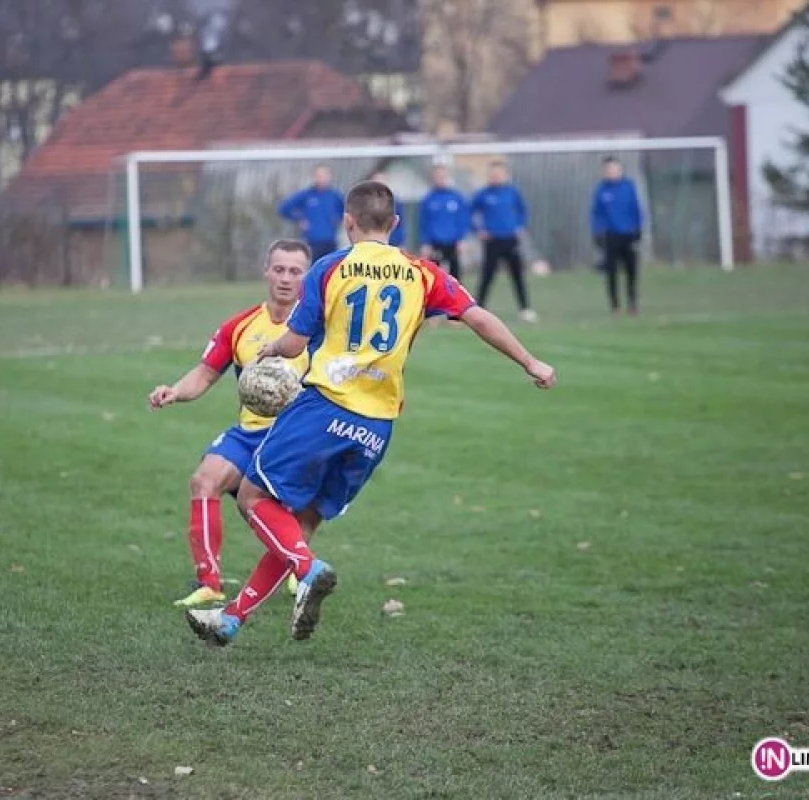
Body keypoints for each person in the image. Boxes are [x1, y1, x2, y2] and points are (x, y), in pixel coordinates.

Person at [185, 181, 557, 647]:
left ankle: (307, 570)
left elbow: (296, 341)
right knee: (298, 527)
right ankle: (233, 618)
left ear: (347, 221)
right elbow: (478, 316)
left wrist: (269, 352)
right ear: (395, 224)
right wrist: (530, 361)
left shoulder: (330, 268)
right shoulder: (423, 272)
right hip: (377, 426)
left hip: (325, 407)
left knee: (253, 497)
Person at [148, 239, 311, 608]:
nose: (286, 278)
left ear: (307, 276)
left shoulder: (319, 328)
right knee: (204, 480)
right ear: (266, 271)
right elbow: (205, 374)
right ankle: (209, 582)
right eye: (279, 269)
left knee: (290, 507)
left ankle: (296, 568)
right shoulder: (240, 326)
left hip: (296, 435)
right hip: (249, 432)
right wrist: (174, 391)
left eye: (295, 271)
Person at [470, 160, 537, 322]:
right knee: (487, 276)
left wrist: (519, 226)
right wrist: (479, 230)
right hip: (492, 241)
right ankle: (478, 308)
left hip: (510, 240)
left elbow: (523, 211)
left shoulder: (512, 192)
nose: (495, 176)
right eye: (493, 174)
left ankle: (525, 308)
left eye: (498, 173)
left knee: (517, 275)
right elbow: (470, 213)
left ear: (505, 175)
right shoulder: (483, 194)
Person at [590, 156, 644, 315]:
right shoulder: (601, 190)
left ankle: (633, 303)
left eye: (614, 169)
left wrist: (638, 229)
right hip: (610, 236)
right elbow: (596, 214)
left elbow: (636, 209)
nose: (612, 172)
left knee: (631, 271)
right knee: (611, 272)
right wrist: (598, 232)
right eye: (609, 170)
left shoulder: (629, 187)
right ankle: (615, 306)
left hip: (628, 234)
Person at [278, 165, 345, 261]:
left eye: (324, 176)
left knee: (330, 270)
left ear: (330, 177)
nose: (322, 179)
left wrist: (337, 220)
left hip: (330, 241)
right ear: (314, 177)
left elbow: (345, 211)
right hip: (312, 241)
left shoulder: (336, 196)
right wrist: (299, 219)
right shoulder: (306, 195)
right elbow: (284, 208)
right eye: (319, 176)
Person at [419, 163, 470, 281]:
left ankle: (458, 300)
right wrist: (425, 242)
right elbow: (424, 223)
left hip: (453, 243)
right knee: (433, 279)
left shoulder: (456, 197)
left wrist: (462, 239)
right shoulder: (428, 199)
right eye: (437, 176)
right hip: (435, 244)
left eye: (442, 176)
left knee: (455, 279)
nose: (439, 179)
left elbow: (463, 219)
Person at [370, 171, 407, 248]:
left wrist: (400, 242)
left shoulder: (396, 202)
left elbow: (401, 223)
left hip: (393, 244)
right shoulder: (367, 203)